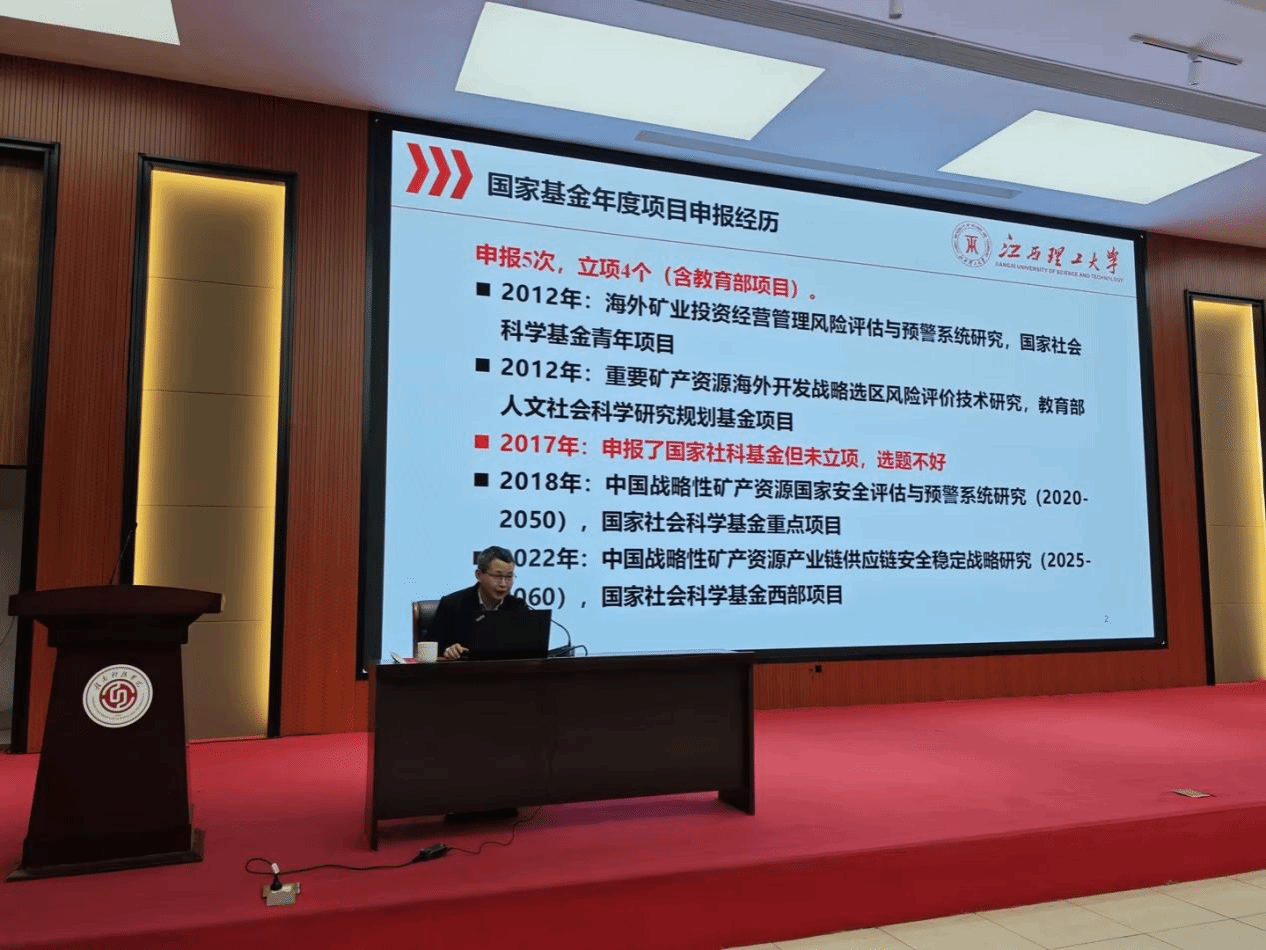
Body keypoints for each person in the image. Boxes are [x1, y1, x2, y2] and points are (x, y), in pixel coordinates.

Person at [430, 545, 528, 660]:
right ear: (479, 575)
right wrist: (447, 650)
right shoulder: (452, 604)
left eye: (509, 577)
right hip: (463, 670)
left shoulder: (518, 607)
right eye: (497, 576)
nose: (503, 584)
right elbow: (428, 647)